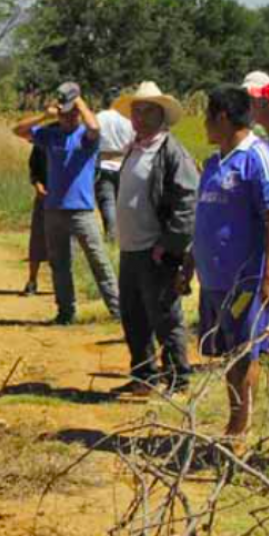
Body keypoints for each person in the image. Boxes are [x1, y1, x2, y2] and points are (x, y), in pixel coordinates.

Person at [180, 85, 269, 439]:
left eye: (207, 116)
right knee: (227, 354)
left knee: (244, 352)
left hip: (245, 280)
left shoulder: (259, 158)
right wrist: (190, 264)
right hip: (213, 279)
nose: (204, 124)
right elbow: (205, 218)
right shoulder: (213, 162)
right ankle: (234, 420)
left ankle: (239, 428)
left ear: (222, 117)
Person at [108, 82, 198, 396]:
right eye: (137, 111)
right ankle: (144, 377)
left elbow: (187, 202)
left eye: (148, 111)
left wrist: (169, 245)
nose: (140, 117)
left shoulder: (171, 151)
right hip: (131, 248)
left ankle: (178, 380)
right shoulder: (134, 146)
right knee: (133, 315)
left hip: (156, 251)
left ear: (162, 115)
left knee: (165, 317)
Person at [15, 82, 120, 325]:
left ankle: (118, 311)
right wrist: (44, 115)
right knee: (59, 265)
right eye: (65, 111)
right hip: (53, 209)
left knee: (99, 261)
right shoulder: (50, 135)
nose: (69, 116)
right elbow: (18, 131)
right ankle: (65, 312)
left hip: (81, 211)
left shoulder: (85, 137)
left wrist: (78, 101)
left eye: (73, 112)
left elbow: (94, 126)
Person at [95, 87, 134, 240]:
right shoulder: (128, 120)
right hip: (124, 163)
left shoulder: (98, 117)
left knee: (107, 201)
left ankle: (111, 236)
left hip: (103, 163)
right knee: (122, 202)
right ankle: (124, 235)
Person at [24, 142, 50, 295]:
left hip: (69, 201)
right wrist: (38, 185)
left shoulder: (80, 135)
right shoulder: (46, 136)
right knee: (37, 239)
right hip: (45, 197)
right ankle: (32, 280)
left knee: (67, 244)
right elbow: (34, 168)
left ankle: (63, 284)